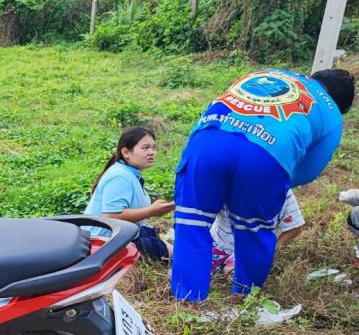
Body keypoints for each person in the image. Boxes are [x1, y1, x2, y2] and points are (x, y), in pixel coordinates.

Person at [170, 69, 354, 302]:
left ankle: (187, 300)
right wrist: (270, 181)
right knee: (253, 231)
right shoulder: (331, 114)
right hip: (264, 157)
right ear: (341, 105)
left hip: (207, 141)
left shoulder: (268, 73)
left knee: (192, 223)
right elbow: (309, 170)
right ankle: (244, 297)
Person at [83, 126, 174, 259]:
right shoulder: (120, 176)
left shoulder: (128, 173)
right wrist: (151, 211)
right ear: (126, 152)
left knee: (150, 233)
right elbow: (111, 216)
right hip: (102, 243)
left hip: (121, 234)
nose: (152, 152)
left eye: (153, 148)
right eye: (145, 148)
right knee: (167, 252)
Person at [210, 190, 304, 276]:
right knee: (202, 268)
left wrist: (271, 250)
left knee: (235, 275)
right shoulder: (224, 183)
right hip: (217, 242)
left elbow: (295, 227)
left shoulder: (280, 190)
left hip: (251, 250)